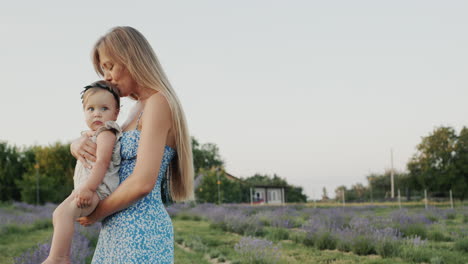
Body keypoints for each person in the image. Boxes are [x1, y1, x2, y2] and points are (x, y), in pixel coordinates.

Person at [72, 26, 194, 263]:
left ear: (131, 59)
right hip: (117, 228)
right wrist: (76, 144)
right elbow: (103, 143)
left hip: (140, 229)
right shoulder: (135, 109)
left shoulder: (158, 102)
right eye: (102, 69)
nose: (106, 77)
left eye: (110, 66)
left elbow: (142, 182)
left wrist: (96, 213)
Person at [43, 81, 122, 264]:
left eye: (104, 108)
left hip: (96, 190)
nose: (97, 113)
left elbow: (102, 162)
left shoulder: (106, 133)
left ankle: (59, 258)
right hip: (86, 188)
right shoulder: (91, 134)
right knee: (59, 214)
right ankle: (61, 257)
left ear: (116, 113)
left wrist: (88, 188)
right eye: (91, 109)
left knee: (65, 214)